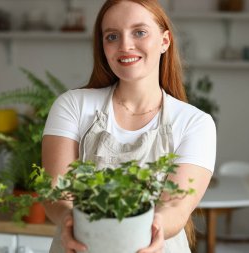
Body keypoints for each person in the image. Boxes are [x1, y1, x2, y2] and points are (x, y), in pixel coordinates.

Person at [42, 0, 216, 252]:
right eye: (112, 36)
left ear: (165, 41)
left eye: (139, 32)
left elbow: (176, 207)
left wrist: (154, 225)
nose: (125, 45)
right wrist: (69, 221)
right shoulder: (73, 106)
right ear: (102, 46)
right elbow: (57, 194)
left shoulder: (194, 123)